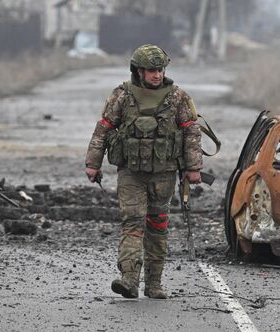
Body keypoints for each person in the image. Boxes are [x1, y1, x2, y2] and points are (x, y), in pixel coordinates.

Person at [85, 44, 203, 299]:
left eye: (160, 70)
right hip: (131, 173)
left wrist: (193, 168)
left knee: (158, 225)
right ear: (138, 71)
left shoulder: (178, 97)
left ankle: (154, 284)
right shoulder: (122, 95)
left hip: (164, 173)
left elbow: (191, 132)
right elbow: (103, 128)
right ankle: (129, 279)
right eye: (151, 70)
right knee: (133, 222)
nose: (157, 75)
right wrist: (93, 163)